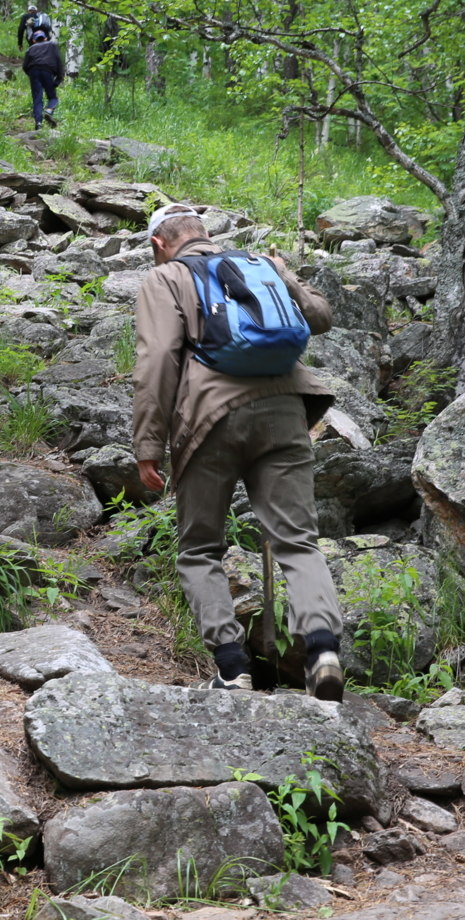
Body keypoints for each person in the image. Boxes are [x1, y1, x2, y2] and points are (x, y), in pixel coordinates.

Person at [131, 203, 345, 701]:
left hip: (212, 418)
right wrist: (287, 276)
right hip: (287, 409)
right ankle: (323, 651)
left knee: (200, 547)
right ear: (205, 233)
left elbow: (158, 358)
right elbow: (321, 317)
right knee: (297, 541)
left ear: (159, 244)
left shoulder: (166, 278)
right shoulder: (259, 266)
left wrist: (148, 445)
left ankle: (232, 667)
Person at [21, 28, 64, 129]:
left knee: (37, 98)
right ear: (45, 38)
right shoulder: (52, 45)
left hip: (34, 71)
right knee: (52, 97)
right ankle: (49, 111)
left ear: (34, 40)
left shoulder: (30, 49)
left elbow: (24, 66)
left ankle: (38, 123)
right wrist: (59, 78)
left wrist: (31, 74)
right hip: (48, 71)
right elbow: (58, 60)